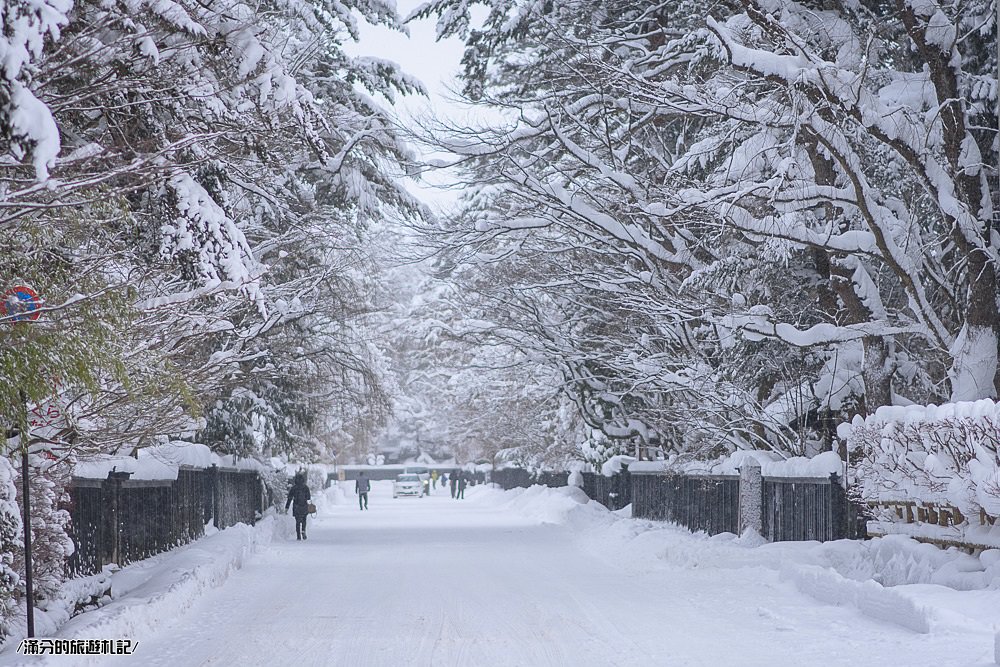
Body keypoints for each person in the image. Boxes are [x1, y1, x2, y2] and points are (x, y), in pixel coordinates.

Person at [285, 472, 311, 540]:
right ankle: (303, 531)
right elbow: (308, 498)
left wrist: (287, 507)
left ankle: (298, 536)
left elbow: (289, 498)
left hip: (296, 507)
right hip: (304, 506)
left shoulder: (294, 488)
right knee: (304, 520)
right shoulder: (306, 487)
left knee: (297, 521)